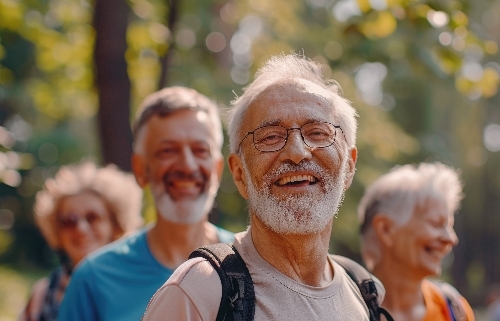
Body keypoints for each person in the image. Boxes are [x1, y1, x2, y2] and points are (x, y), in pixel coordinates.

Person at [142, 54, 385, 321]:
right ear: (239, 173)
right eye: (271, 136)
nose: (296, 152)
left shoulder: (365, 294)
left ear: (349, 166)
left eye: (317, 132)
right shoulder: (199, 294)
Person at [57, 87, 234, 321]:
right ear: (141, 169)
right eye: (167, 151)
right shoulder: (93, 279)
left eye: (200, 150)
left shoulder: (252, 265)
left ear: (218, 169)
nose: (188, 166)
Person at [19, 161, 143, 321]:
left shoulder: (139, 284)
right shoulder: (43, 295)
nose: (81, 229)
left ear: (116, 225)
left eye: (93, 218)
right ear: (58, 231)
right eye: (69, 220)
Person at [358, 162, 475, 321]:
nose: (450, 239)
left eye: (449, 226)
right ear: (386, 229)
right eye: (435, 223)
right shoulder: (347, 310)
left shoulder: (454, 310)